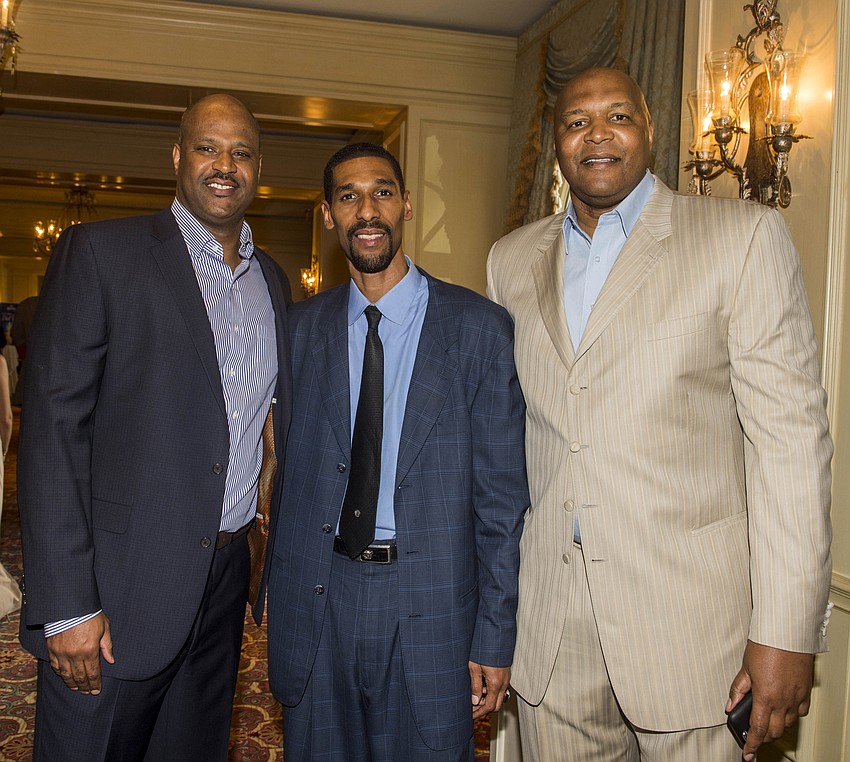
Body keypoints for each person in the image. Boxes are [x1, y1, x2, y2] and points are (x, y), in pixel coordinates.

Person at [486, 67, 833, 762]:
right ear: (557, 143)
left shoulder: (742, 239)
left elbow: (790, 448)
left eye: (618, 116)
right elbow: (501, 447)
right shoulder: (509, 261)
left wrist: (787, 632)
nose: (597, 134)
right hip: (552, 632)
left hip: (692, 632)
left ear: (651, 130)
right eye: (577, 121)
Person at [17, 93, 292, 762]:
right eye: (207, 147)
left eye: (241, 151)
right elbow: (53, 434)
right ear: (177, 156)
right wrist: (68, 604)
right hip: (116, 594)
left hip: (222, 589)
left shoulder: (275, 283)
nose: (224, 164)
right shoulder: (103, 254)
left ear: (260, 167)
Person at [266, 142, 528, 761]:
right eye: (348, 196)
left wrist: (494, 634)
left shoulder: (478, 330)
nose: (367, 210)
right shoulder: (301, 330)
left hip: (431, 604)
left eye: (382, 192)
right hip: (320, 600)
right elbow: (288, 475)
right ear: (328, 215)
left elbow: (502, 499)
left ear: (406, 204)